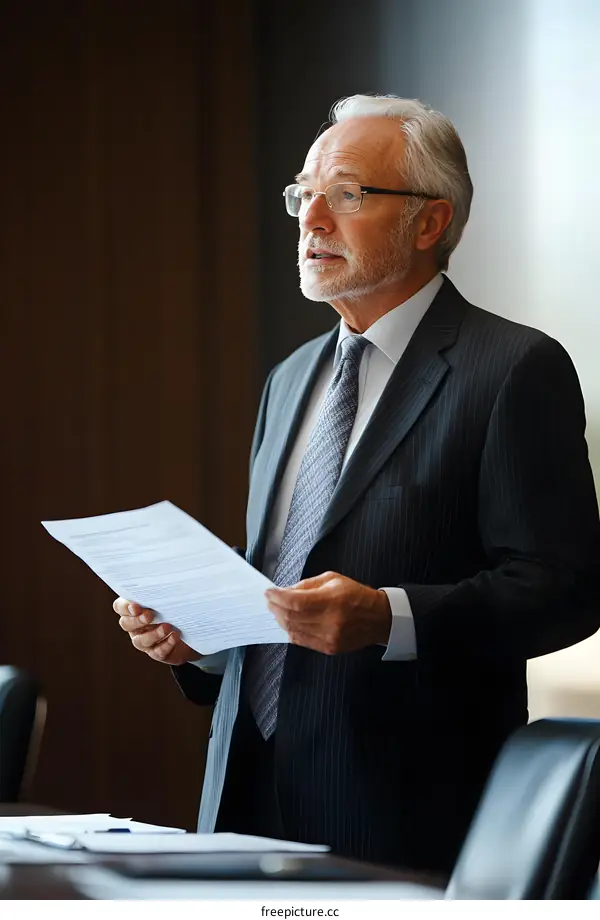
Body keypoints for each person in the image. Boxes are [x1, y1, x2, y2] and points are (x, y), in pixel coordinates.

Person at [113, 94, 600, 874]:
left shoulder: (512, 368)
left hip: (401, 814)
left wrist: (389, 618)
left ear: (430, 222)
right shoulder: (290, 378)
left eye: (346, 194)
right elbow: (283, 567)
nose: (311, 219)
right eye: (303, 195)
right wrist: (198, 637)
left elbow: (566, 587)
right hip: (243, 800)